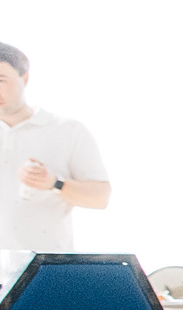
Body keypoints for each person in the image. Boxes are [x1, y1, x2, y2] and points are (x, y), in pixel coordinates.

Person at [0, 42, 111, 261]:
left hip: (42, 271)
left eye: (1, 80)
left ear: (25, 78)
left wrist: (55, 183)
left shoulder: (67, 130)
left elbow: (101, 198)